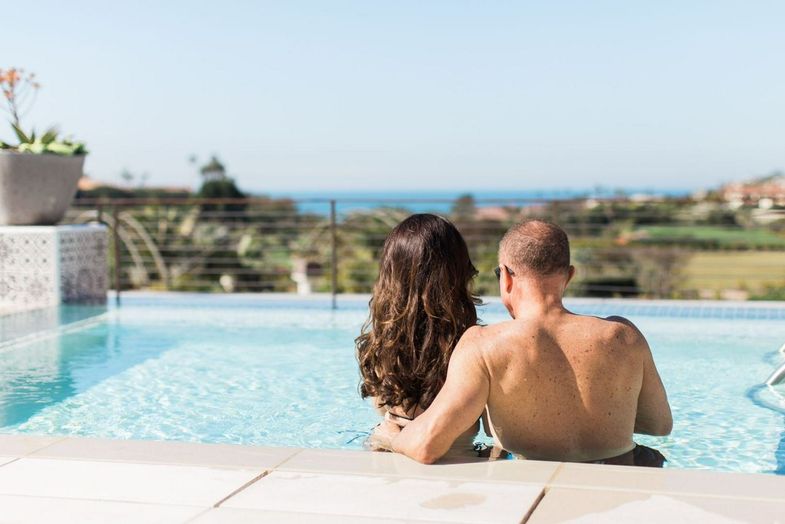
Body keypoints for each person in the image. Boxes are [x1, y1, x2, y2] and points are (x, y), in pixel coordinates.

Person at [372, 219, 672, 466]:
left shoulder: (484, 345)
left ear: (506, 278)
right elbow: (660, 425)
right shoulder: (624, 335)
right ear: (568, 276)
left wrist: (390, 437)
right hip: (617, 487)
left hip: (528, 487)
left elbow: (427, 446)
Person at [356, 213, 483, 457]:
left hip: (385, 449)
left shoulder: (381, 344)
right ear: (458, 273)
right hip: (456, 457)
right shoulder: (474, 347)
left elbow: (383, 412)